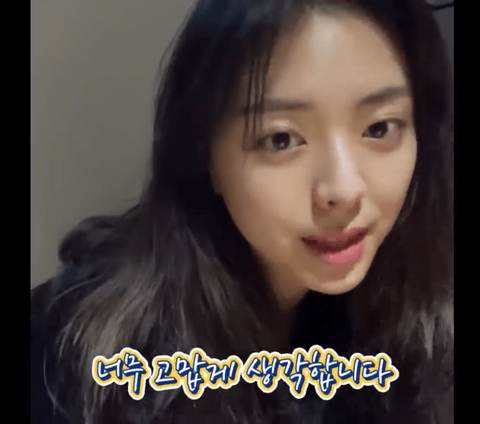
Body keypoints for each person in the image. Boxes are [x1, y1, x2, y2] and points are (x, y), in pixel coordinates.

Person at [30, 0, 453, 423]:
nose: (344, 190)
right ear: (206, 156)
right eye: (281, 139)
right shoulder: (83, 354)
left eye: (379, 128)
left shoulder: (406, 304)